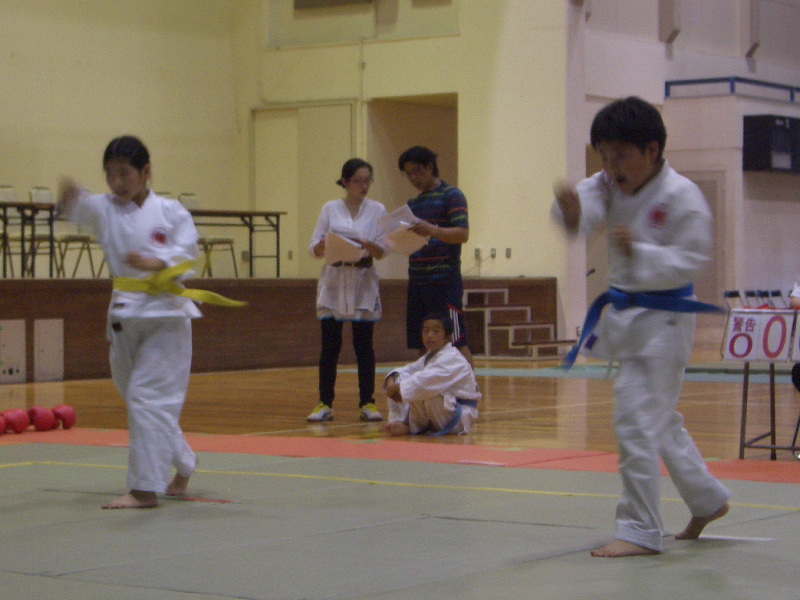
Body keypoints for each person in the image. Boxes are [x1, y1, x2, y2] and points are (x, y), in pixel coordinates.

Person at [552, 97, 731, 557]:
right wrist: (571, 212)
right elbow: (583, 218)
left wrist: (640, 253)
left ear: (651, 150)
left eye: (619, 156)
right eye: (604, 157)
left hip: (666, 321)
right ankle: (707, 499)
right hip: (629, 318)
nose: (610, 168)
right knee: (659, 419)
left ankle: (639, 530)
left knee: (634, 420)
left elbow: (691, 260)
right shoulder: (607, 183)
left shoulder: (682, 196)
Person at [58, 135, 200, 509]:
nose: (117, 182)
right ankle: (184, 463)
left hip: (166, 314)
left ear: (145, 171)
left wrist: (160, 262)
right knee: (137, 397)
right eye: (110, 174)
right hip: (124, 313)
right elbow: (78, 208)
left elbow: (189, 254)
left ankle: (144, 489)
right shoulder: (104, 208)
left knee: (146, 397)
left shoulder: (171, 212)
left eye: (124, 173)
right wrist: (69, 195)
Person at [306, 158, 389, 423]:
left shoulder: (377, 209)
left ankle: (367, 402)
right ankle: (324, 402)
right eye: (357, 181)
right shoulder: (330, 208)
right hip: (335, 278)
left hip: (362, 279)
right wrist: (322, 245)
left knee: (364, 345)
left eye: (367, 180)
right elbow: (313, 248)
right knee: (330, 345)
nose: (363, 185)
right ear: (345, 182)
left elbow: (383, 250)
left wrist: (367, 244)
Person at [398, 146, 472, 365]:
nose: (413, 178)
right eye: (409, 174)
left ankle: (468, 385)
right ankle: (426, 385)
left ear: (430, 167)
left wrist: (432, 230)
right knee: (423, 342)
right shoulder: (413, 204)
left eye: (417, 171)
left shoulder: (451, 195)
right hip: (417, 281)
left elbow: (462, 234)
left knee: (456, 340)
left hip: (444, 282)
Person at [382, 311, 480, 436]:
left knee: (424, 390)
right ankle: (401, 423)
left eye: (435, 331)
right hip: (442, 411)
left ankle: (410, 427)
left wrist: (397, 389)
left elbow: (423, 382)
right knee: (402, 379)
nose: (429, 335)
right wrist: (392, 383)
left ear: (448, 337)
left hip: (458, 417)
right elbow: (406, 370)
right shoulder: (430, 356)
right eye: (426, 331)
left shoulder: (452, 358)